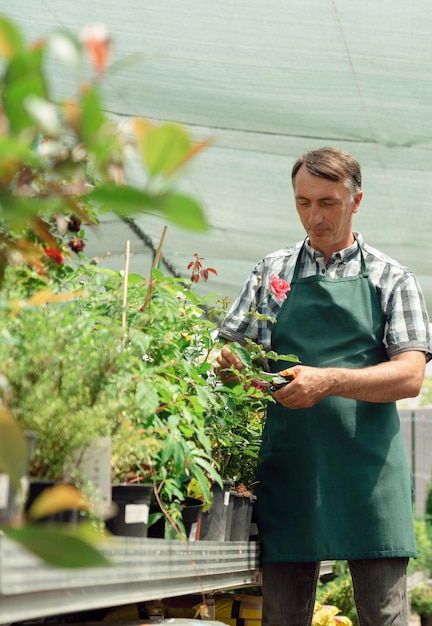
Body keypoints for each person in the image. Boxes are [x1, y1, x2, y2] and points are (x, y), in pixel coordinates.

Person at [216, 147, 432, 626]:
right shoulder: (271, 272)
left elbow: (410, 375)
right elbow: (229, 361)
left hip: (369, 472)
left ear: (356, 202)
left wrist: (329, 380)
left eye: (327, 203)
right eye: (303, 202)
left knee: (384, 614)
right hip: (292, 468)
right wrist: (229, 365)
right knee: (281, 616)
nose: (313, 216)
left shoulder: (392, 278)